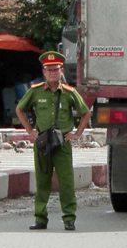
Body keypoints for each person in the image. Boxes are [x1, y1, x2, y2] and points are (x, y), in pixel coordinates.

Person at [16, 51, 91, 231]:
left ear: (61, 71)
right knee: (42, 180)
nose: (52, 73)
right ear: (43, 72)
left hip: (62, 142)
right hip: (42, 142)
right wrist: (30, 131)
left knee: (66, 182)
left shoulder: (69, 93)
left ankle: (69, 218)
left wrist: (76, 134)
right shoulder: (35, 91)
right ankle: (40, 218)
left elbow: (85, 112)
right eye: (49, 70)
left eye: (56, 70)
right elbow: (20, 109)